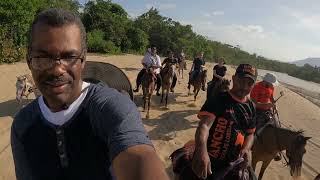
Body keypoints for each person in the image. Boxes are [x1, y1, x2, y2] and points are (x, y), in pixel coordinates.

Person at [11, 8, 169, 180]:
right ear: (29, 60)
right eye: (43, 57)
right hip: (147, 68)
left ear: (83, 60)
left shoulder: (112, 107)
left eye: (69, 56)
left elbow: (139, 157)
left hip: (154, 70)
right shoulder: (22, 124)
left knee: (159, 79)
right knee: (142, 76)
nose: (57, 69)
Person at [191, 64, 258, 179]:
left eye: (249, 84)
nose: (244, 87)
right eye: (241, 81)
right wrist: (201, 150)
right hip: (210, 159)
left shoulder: (251, 106)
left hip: (234, 162)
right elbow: (204, 126)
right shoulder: (219, 98)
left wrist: (246, 148)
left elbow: (250, 133)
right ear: (233, 78)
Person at [250, 72, 281, 161]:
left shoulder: (271, 87)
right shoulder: (256, 87)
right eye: (271, 83)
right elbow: (254, 103)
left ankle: (276, 150)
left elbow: (271, 97)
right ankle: (251, 146)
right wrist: (266, 105)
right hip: (256, 110)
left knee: (277, 125)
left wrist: (274, 105)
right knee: (257, 128)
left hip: (267, 109)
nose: (272, 85)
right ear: (266, 81)